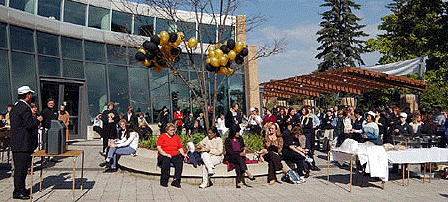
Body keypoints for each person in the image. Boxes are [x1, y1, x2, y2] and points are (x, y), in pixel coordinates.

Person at [10, 86, 43, 200]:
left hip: (19, 143)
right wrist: (37, 119)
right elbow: (29, 124)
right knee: (21, 169)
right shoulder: (24, 108)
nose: (31, 97)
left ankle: (21, 188)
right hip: (22, 143)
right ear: (27, 95)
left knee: (22, 168)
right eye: (30, 94)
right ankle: (18, 191)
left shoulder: (16, 106)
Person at [157, 123, 186, 188]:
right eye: (171, 130)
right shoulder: (162, 136)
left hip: (174, 154)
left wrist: (184, 154)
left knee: (179, 161)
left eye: (173, 130)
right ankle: (164, 181)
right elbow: (159, 148)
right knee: (166, 161)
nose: (173, 131)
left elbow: (180, 147)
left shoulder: (176, 137)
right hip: (164, 154)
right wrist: (165, 154)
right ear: (167, 130)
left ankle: (176, 181)